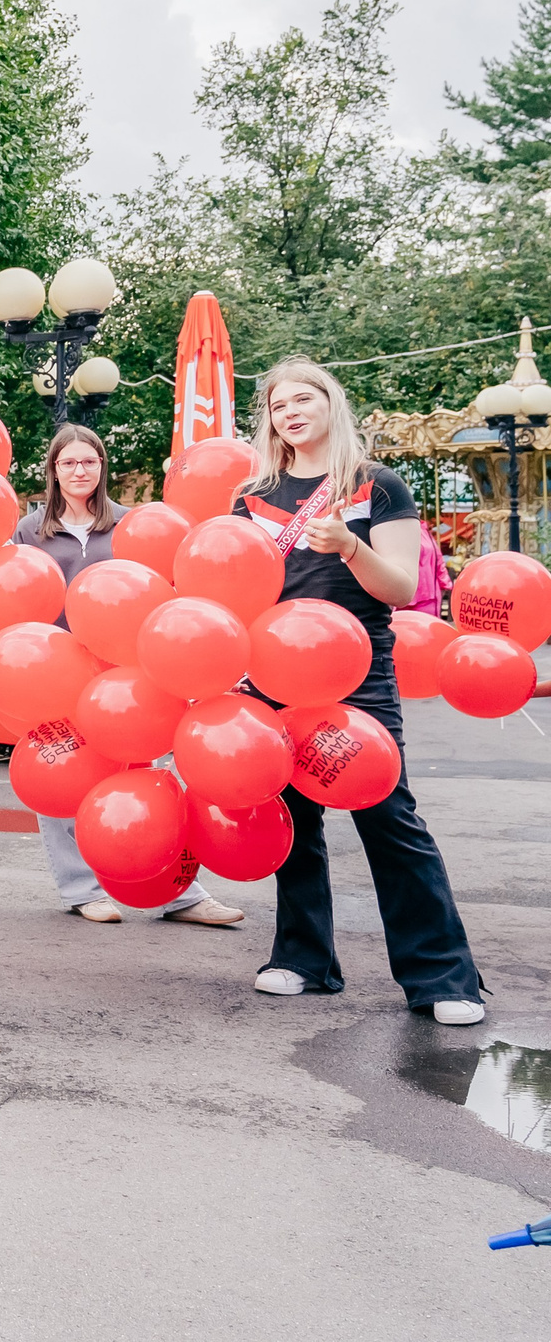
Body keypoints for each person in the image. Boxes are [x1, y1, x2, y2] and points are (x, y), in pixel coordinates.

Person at [240, 359, 486, 1025]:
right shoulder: (254, 495)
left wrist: (349, 545)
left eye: (304, 397)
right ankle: (302, 958)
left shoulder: (377, 485)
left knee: (387, 814)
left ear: (330, 403)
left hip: (356, 671)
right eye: (278, 404)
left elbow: (403, 588)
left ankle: (442, 975)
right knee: (292, 817)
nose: (290, 411)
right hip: (272, 672)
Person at [11, 424, 243, 927]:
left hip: (130, 673)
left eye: (88, 462)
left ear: (102, 467)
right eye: (68, 463)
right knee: (59, 777)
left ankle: (180, 893)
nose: (79, 471)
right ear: (53, 470)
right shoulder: (30, 531)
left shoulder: (131, 524)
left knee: (151, 777)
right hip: (56, 670)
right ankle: (81, 888)